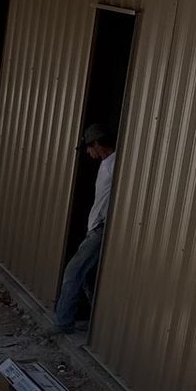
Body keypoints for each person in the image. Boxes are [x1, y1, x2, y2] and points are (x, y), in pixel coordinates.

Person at [53, 123, 116, 333]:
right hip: (95, 227)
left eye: (89, 148)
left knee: (73, 272)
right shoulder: (106, 163)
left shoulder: (114, 163)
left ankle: (62, 323)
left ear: (96, 144)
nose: (88, 153)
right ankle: (98, 322)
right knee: (88, 277)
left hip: (100, 229)